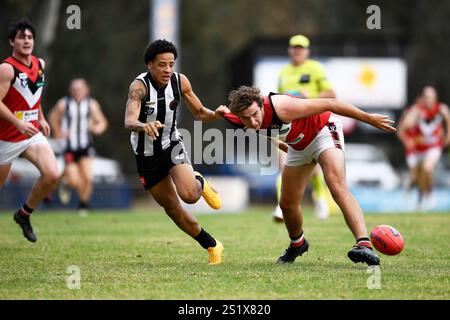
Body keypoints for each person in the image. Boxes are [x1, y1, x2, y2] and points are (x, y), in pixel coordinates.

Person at [219, 86, 396, 265]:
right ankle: (298, 244)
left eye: (255, 114)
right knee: (287, 204)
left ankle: (364, 244)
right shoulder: (245, 118)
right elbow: (206, 113)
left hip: (323, 131)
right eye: (246, 118)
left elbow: (331, 103)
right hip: (298, 146)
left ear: (262, 106)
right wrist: (213, 113)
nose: (253, 121)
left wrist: (369, 118)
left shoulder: (282, 107)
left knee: (336, 186)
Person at [124, 39, 224, 265]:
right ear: (150, 65)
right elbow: (129, 120)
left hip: (171, 144)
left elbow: (199, 112)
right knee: (171, 208)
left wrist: (216, 114)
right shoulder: (139, 87)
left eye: (171, 64)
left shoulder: (180, 82)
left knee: (189, 195)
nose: (168, 70)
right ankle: (212, 244)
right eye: (162, 65)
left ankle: (198, 180)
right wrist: (143, 125)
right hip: (146, 155)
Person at [0, 18, 59, 242]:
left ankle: (23, 214)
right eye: (21, 37)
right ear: (11, 41)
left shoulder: (40, 64)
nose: (26, 40)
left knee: (52, 174)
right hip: (6, 137)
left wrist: (41, 117)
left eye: (30, 37)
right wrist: (17, 122)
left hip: (31, 134)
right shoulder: (6, 69)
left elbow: (34, 95)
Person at [273, 34, 336, 222]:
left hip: (310, 121)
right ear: (289, 50)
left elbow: (331, 93)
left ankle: (320, 198)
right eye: (294, 47)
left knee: (314, 168)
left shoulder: (315, 68)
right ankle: (280, 205)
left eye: (301, 48)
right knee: (284, 165)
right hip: (289, 123)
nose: (297, 51)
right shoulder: (283, 72)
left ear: (307, 51)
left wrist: (308, 95)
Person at [48, 78, 108, 214]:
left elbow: (102, 121)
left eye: (80, 89)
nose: (77, 92)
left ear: (86, 90)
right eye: (74, 89)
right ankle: (65, 185)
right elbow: (52, 117)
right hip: (69, 147)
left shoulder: (92, 105)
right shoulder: (63, 104)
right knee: (74, 179)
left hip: (85, 146)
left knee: (87, 177)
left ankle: (83, 205)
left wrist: (98, 128)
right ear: (70, 90)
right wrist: (58, 133)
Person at [398, 86, 450, 210]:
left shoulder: (441, 109)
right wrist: (407, 139)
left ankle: (430, 194)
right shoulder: (417, 110)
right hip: (417, 149)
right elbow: (403, 127)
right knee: (418, 177)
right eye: (426, 97)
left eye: (430, 97)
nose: (428, 100)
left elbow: (448, 122)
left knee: (427, 169)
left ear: (435, 98)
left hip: (433, 147)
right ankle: (420, 198)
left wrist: (447, 137)